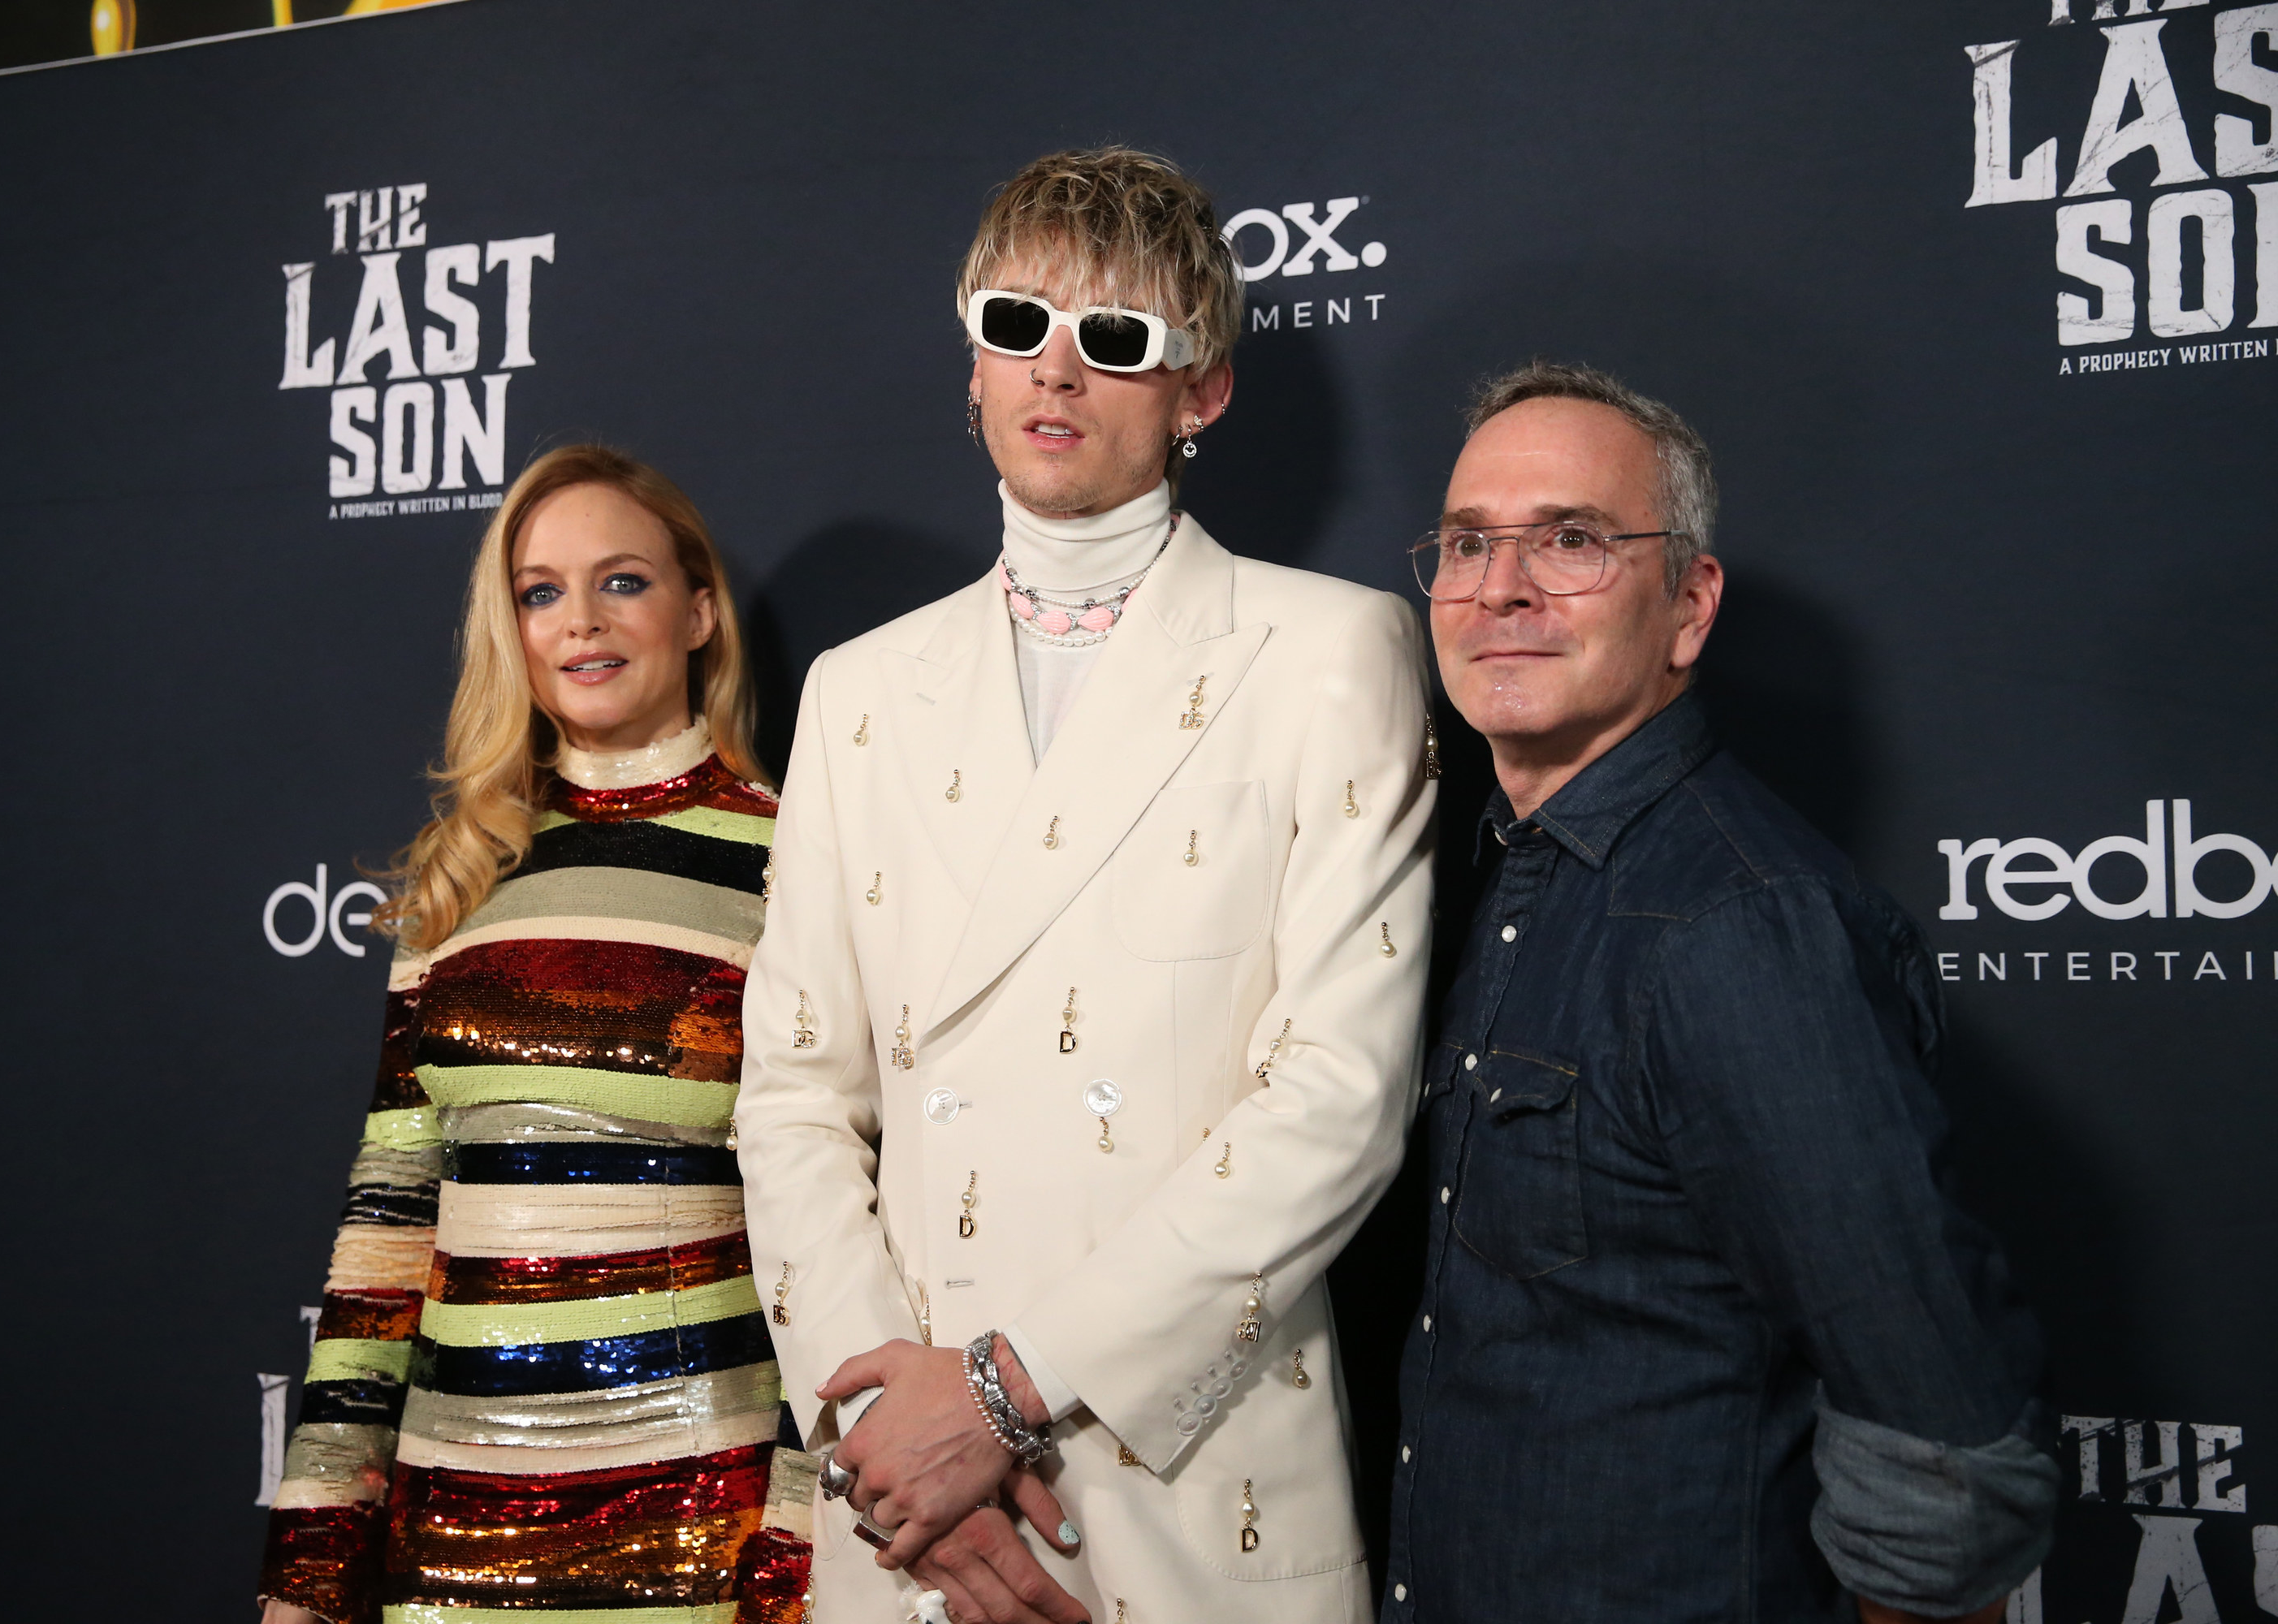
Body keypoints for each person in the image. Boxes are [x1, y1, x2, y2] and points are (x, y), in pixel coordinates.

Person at [733, 146, 1437, 1624]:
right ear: (972, 367)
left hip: (1193, 1481)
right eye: (1015, 325)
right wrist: (895, 1441)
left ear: (1204, 390)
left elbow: (1340, 1101)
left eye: (1116, 340)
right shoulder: (857, 693)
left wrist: (997, 1394)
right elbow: (795, 1095)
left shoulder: (1332, 653)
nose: (1057, 371)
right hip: (909, 1507)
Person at [1383, 361, 2058, 1623]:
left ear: (1690, 607)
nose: (1502, 589)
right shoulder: (1494, 879)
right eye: (1469, 544)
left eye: (1571, 541)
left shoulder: (1739, 925)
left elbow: (1939, 1433)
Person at [256, 445, 816, 1624]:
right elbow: (386, 1240)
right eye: (540, 591)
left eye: (623, 581)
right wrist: (310, 1570)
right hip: (446, 1536)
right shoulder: (461, 880)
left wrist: (798, 1550)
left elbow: (841, 1245)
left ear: (699, 609)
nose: (581, 623)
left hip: (697, 1528)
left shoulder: (800, 859)